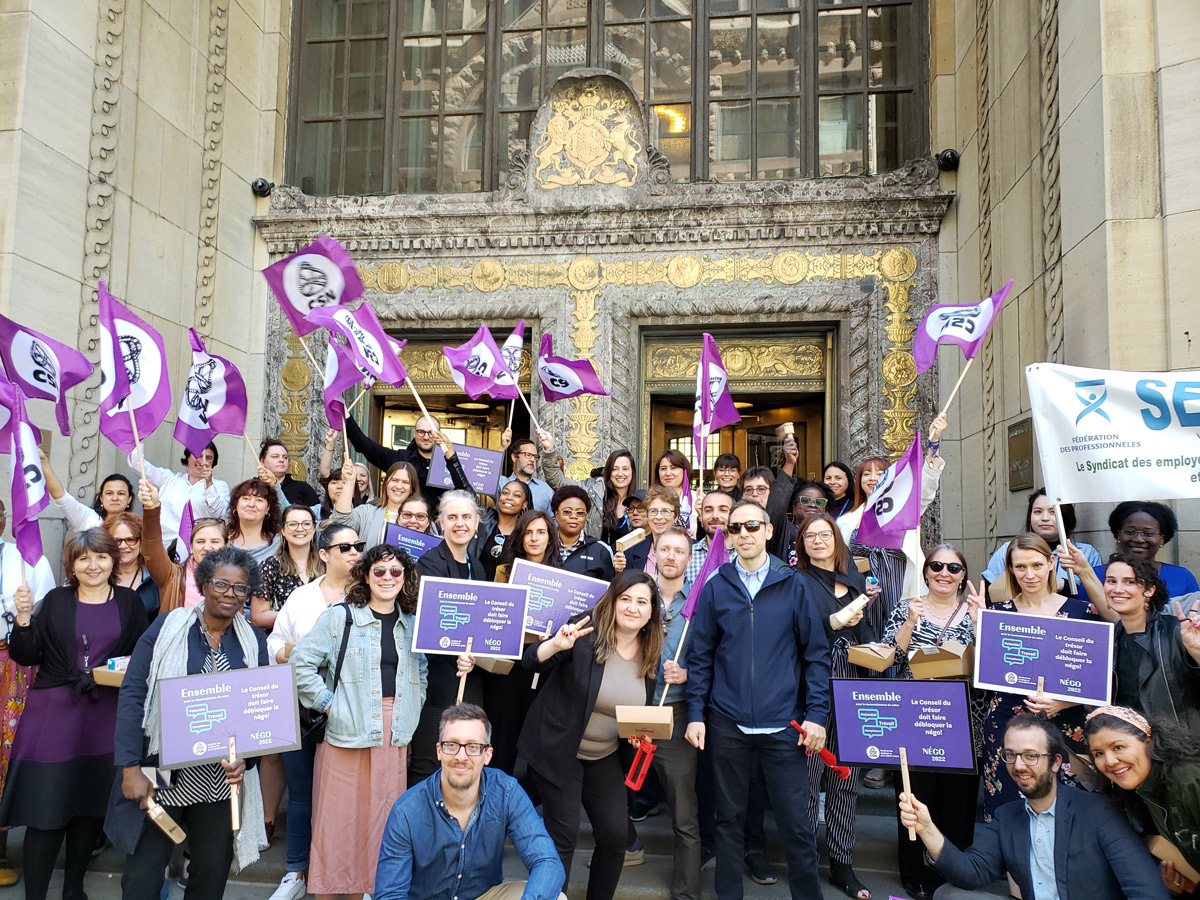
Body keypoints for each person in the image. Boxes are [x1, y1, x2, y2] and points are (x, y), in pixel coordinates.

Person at [684, 499, 831, 900]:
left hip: (784, 725)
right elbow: (701, 658)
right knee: (728, 821)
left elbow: (816, 656)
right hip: (726, 723)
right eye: (735, 528)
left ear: (768, 530)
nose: (744, 534)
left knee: (796, 825)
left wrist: (817, 715)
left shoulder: (794, 584)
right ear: (727, 537)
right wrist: (695, 713)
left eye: (752, 526)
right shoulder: (716, 587)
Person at [110, 546, 269, 900]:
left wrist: (248, 759)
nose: (230, 593)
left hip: (217, 780)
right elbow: (134, 694)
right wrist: (129, 767)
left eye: (240, 588)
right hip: (161, 773)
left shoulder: (253, 641)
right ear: (204, 584)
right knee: (142, 878)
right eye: (221, 584)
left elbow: (258, 712)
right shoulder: (168, 626)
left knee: (210, 878)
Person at [0, 528, 148, 900]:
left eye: (100, 556)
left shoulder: (130, 603)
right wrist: (22, 619)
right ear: (72, 565)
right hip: (54, 715)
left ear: (113, 560)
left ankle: (73, 890)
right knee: (44, 810)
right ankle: (35, 894)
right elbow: (27, 655)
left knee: (88, 810)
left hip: (105, 716)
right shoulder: (56, 600)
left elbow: (139, 658)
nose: (92, 565)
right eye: (83, 558)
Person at [898, 715, 1167, 900]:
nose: (1018, 765)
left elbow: (1146, 891)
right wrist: (926, 828)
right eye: (1010, 755)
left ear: (1055, 762)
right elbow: (972, 872)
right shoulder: (1008, 816)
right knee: (948, 894)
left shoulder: (1098, 811)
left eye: (1031, 756)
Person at [293, 544, 429, 900]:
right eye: (380, 571)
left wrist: (410, 713)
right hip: (345, 730)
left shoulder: (412, 624)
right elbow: (299, 665)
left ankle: (366, 892)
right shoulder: (340, 617)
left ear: (406, 578)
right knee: (336, 824)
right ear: (366, 576)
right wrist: (329, 705)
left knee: (381, 823)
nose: (388, 578)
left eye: (396, 572)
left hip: (393, 733)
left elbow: (422, 672)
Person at [519, 570, 664, 900]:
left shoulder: (652, 650)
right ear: (611, 601)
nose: (632, 607)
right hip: (558, 749)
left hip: (605, 756)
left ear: (652, 610)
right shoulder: (585, 630)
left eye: (642, 601)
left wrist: (640, 735)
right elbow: (530, 663)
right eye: (625, 599)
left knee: (615, 836)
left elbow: (634, 712)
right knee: (564, 836)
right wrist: (555, 644)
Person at [881, 544, 988, 900]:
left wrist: (980, 623)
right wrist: (910, 621)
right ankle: (915, 872)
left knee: (958, 803)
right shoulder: (906, 607)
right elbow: (890, 655)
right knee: (915, 797)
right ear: (926, 571)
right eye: (937, 566)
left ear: (963, 576)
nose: (945, 573)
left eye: (954, 568)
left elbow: (995, 665)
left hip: (963, 721)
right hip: (915, 718)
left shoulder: (976, 612)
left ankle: (954, 872)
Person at [374, 703, 566, 900]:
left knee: (556, 898)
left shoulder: (506, 793)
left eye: (473, 746)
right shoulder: (407, 811)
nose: (461, 756)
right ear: (439, 751)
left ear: (487, 755)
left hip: (483, 896)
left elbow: (547, 862)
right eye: (452, 745)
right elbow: (390, 894)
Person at [973, 533, 1102, 821]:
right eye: (1020, 567)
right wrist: (981, 630)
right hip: (1007, 723)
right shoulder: (996, 613)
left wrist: (1062, 704)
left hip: (1064, 728)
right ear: (1010, 570)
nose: (1029, 574)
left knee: (1068, 815)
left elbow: (1096, 680)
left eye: (1036, 565)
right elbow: (987, 676)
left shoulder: (1083, 612)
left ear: (1051, 563)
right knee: (1009, 813)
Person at [266, 523, 362, 900]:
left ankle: (351, 874)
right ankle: (296, 871)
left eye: (358, 546)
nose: (354, 553)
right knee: (303, 793)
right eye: (345, 547)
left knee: (348, 796)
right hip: (303, 708)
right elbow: (274, 644)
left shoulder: (370, 596)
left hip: (353, 710)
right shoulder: (301, 598)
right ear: (323, 554)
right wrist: (303, 652)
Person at [793, 513, 874, 900]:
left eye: (825, 534)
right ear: (802, 545)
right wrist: (834, 623)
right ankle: (806, 861)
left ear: (837, 540)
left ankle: (842, 861)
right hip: (814, 685)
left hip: (855, 685)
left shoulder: (857, 581)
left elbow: (868, 633)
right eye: (810, 536)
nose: (818, 541)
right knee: (809, 777)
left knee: (847, 775)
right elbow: (796, 633)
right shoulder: (798, 583)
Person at [839, 413, 948, 652]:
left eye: (879, 473)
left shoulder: (904, 509)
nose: (872, 478)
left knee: (900, 648)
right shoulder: (846, 522)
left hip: (900, 593)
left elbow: (927, 488)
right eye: (866, 474)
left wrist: (934, 444)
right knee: (867, 652)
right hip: (864, 599)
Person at [1068, 552, 1200, 733]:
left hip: (1181, 750)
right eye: (1111, 581)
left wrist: (1197, 651)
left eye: (1129, 582)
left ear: (1149, 590)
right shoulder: (1109, 641)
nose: (1118, 589)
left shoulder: (1176, 630)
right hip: (1131, 748)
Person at [413, 490, 488, 782]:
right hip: (439, 680)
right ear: (440, 523)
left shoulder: (478, 567)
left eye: (466, 517)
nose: (460, 523)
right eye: (452, 517)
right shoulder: (428, 565)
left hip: (471, 677)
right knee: (429, 760)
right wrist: (455, 650)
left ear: (476, 523)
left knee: (465, 756)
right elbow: (428, 622)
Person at [1083, 706, 1200, 893]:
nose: (1110, 761)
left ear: (1148, 740)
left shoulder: (1188, 778)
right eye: (1099, 754)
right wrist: (1184, 887)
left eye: (1118, 747)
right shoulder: (1134, 797)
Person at [0, 500, 55, 885]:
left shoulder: (27, 557)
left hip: (10, 665)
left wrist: (24, 614)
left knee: (5, 753)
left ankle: (0, 851)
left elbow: (44, 607)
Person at [652, 527, 703, 900]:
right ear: (654, 554)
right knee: (604, 791)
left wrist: (689, 673)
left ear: (689, 558)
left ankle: (685, 893)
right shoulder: (635, 594)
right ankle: (626, 846)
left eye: (679, 551)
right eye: (664, 549)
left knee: (684, 812)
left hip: (677, 711)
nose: (671, 556)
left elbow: (719, 655)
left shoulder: (703, 601)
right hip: (631, 708)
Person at [980, 489, 1102, 598]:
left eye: (1052, 512)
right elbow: (989, 593)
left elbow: (1099, 598)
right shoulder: (1009, 549)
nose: (1044, 518)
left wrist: (1065, 585)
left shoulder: (1086, 553)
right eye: (1038, 512)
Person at [138, 480, 228, 612]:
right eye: (200, 542)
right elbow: (152, 549)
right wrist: (152, 509)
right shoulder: (173, 576)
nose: (207, 547)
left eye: (214, 541)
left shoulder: (235, 579)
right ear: (191, 547)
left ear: (227, 546)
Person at [537, 429, 637, 544]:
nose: (620, 474)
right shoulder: (592, 491)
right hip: (595, 559)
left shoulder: (639, 502)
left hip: (627, 561)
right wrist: (549, 450)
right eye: (615, 469)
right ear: (609, 472)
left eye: (625, 469)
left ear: (632, 472)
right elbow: (558, 481)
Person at [126, 441, 229, 549]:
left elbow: (218, 513)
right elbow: (137, 465)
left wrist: (208, 483)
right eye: (198, 455)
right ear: (188, 457)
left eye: (208, 458)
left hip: (197, 551)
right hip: (163, 548)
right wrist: (140, 439)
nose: (202, 461)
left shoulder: (219, 486)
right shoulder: (168, 479)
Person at [345, 413, 455, 508]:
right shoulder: (401, 459)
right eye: (421, 432)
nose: (426, 437)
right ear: (415, 433)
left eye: (431, 432)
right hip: (406, 524)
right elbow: (366, 446)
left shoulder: (451, 463)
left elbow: (465, 492)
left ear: (439, 434)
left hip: (439, 528)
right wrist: (345, 415)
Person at [1099, 502, 1199, 600]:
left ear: (1161, 539)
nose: (1139, 539)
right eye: (1130, 532)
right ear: (1119, 535)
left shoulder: (1182, 577)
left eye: (1148, 533)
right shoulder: (1095, 575)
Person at [254, 504, 323, 632]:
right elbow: (258, 617)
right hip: (286, 641)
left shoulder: (327, 563)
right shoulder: (270, 566)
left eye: (306, 524)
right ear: (282, 531)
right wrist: (298, 615)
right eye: (292, 524)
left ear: (314, 529)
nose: (300, 529)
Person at [329, 458, 422, 549]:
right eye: (395, 480)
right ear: (386, 483)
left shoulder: (422, 520)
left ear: (412, 488)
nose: (399, 486)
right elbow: (341, 520)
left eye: (405, 482)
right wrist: (349, 482)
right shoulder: (367, 513)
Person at [104, 511, 162, 619]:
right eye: (117, 541)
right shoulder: (97, 576)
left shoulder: (156, 579)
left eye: (130, 540)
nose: (123, 546)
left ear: (141, 542)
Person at [473, 479, 533, 581]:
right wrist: (452, 462)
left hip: (506, 595)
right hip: (476, 592)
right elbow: (465, 490)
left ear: (524, 504)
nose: (509, 497)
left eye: (517, 495)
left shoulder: (527, 534)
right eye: (505, 493)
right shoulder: (486, 519)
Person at [552, 486, 616, 581]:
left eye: (580, 513)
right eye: (567, 512)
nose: (574, 516)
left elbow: (609, 590)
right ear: (556, 515)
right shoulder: (543, 545)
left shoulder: (601, 550)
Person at [614, 486, 679, 576]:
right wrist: (619, 571)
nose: (659, 517)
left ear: (675, 517)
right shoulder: (630, 551)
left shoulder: (690, 549)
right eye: (653, 511)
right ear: (648, 516)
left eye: (665, 511)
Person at [495, 510, 562, 583]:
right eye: (528, 532)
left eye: (541, 532)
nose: (534, 538)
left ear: (549, 539)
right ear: (520, 537)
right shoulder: (502, 572)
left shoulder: (560, 576)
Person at [228, 477, 283, 566]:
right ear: (236, 505)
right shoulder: (221, 540)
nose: (251, 504)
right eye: (246, 498)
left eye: (259, 500)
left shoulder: (280, 545)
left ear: (267, 509)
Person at [498, 433, 554, 512]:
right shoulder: (501, 483)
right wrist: (502, 447)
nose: (532, 459)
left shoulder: (545, 488)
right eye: (528, 455)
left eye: (535, 456)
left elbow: (553, 520)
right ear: (514, 457)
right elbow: (486, 473)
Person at [686, 490, 732, 584]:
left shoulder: (744, 556)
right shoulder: (686, 555)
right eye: (708, 510)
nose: (715, 516)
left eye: (723, 510)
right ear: (701, 518)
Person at [261, 439, 320, 508]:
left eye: (285, 457)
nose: (281, 460)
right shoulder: (253, 487)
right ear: (262, 461)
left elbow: (317, 516)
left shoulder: (303, 488)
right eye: (275, 457)